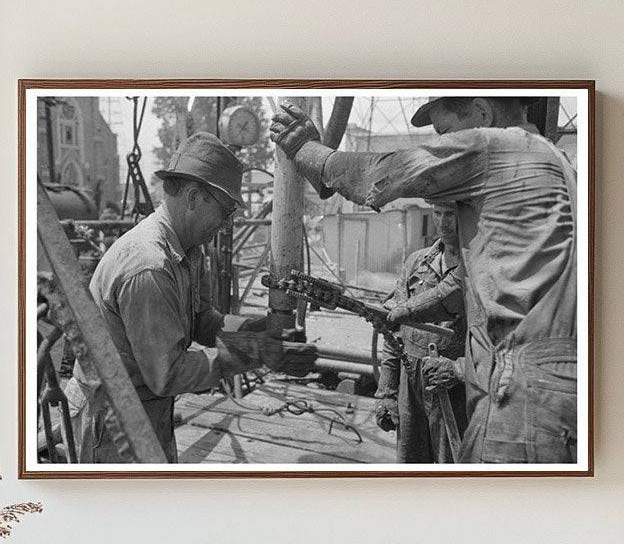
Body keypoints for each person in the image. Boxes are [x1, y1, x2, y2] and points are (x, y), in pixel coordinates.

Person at [270, 96, 578, 464]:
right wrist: (407, 310)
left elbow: (377, 175)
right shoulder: (557, 163)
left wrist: (305, 149)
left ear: (482, 112)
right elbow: (463, 286)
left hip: (519, 390)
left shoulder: (495, 145)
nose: (443, 145)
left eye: (446, 132)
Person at [68, 132, 315, 462]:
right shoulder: (149, 267)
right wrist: (258, 351)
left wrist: (260, 328)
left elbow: (202, 321)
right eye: (226, 211)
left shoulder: (188, 250)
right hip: (114, 422)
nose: (228, 223)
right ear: (195, 197)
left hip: (147, 407)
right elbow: (167, 374)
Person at [375, 204, 467, 462]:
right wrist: (386, 394)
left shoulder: (479, 269)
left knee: (454, 471)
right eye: (438, 213)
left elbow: (497, 345)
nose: (443, 222)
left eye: (451, 214)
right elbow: (394, 335)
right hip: (410, 388)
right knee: (410, 468)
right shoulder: (417, 263)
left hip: (454, 390)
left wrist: (458, 369)